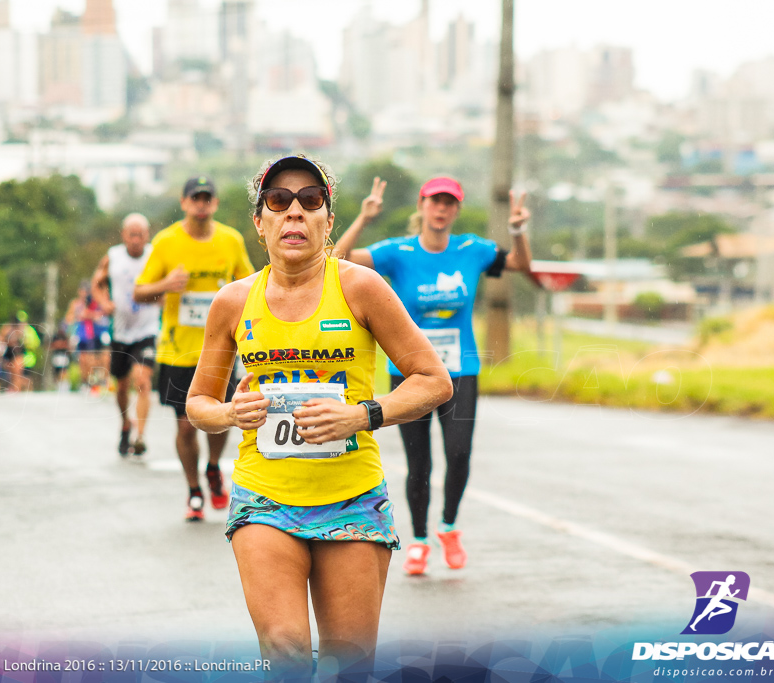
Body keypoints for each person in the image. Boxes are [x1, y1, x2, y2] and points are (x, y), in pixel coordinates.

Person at [186, 156, 452, 678]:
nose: (294, 214)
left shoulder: (361, 287)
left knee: (350, 666)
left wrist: (363, 415)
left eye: (311, 202)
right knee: (285, 653)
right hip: (264, 495)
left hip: (351, 496)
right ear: (259, 222)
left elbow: (433, 380)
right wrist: (229, 412)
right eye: (278, 202)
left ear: (328, 222)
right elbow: (198, 404)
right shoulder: (233, 301)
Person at [334, 176, 533, 576]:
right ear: (422, 206)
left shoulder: (471, 249)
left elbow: (521, 266)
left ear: (456, 210)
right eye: (434, 202)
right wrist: (364, 219)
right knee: (418, 463)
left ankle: (449, 528)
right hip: (408, 372)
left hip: (460, 369)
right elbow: (335, 263)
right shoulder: (398, 252)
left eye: (449, 203)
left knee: (459, 453)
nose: (441, 209)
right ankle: (421, 540)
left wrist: (517, 230)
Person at [135, 176, 255, 520]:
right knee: (186, 425)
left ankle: (214, 466)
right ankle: (193, 489)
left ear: (214, 203)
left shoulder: (230, 240)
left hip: (222, 350)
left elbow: (250, 286)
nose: (201, 203)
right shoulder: (166, 241)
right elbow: (139, 291)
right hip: (178, 351)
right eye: (195, 198)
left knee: (221, 419)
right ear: (184, 202)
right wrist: (166, 284)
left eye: (207, 198)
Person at [91, 213, 161, 457]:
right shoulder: (113, 257)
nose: (135, 239)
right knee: (121, 387)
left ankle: (140, 436)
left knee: (142, 380)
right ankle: (125, 425)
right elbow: (96, 283)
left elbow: (166, 283)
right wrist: (104, 302)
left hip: (147, 329)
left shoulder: (155, 255)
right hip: (120, 332)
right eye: (131, 234)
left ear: (147, 235)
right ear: (123, 235)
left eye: (140, 235)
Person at [64, 282, 104, 394]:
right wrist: (77, 316)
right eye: (82, 291)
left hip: (91, 333)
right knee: (82, 359)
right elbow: (68, 318)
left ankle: (93, 381)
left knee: (92, 359)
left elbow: (100, 315)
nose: (84, 293)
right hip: (80, 334)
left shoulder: (93, 302)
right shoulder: (75, 304)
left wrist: (87, 315)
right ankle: (85, 382)